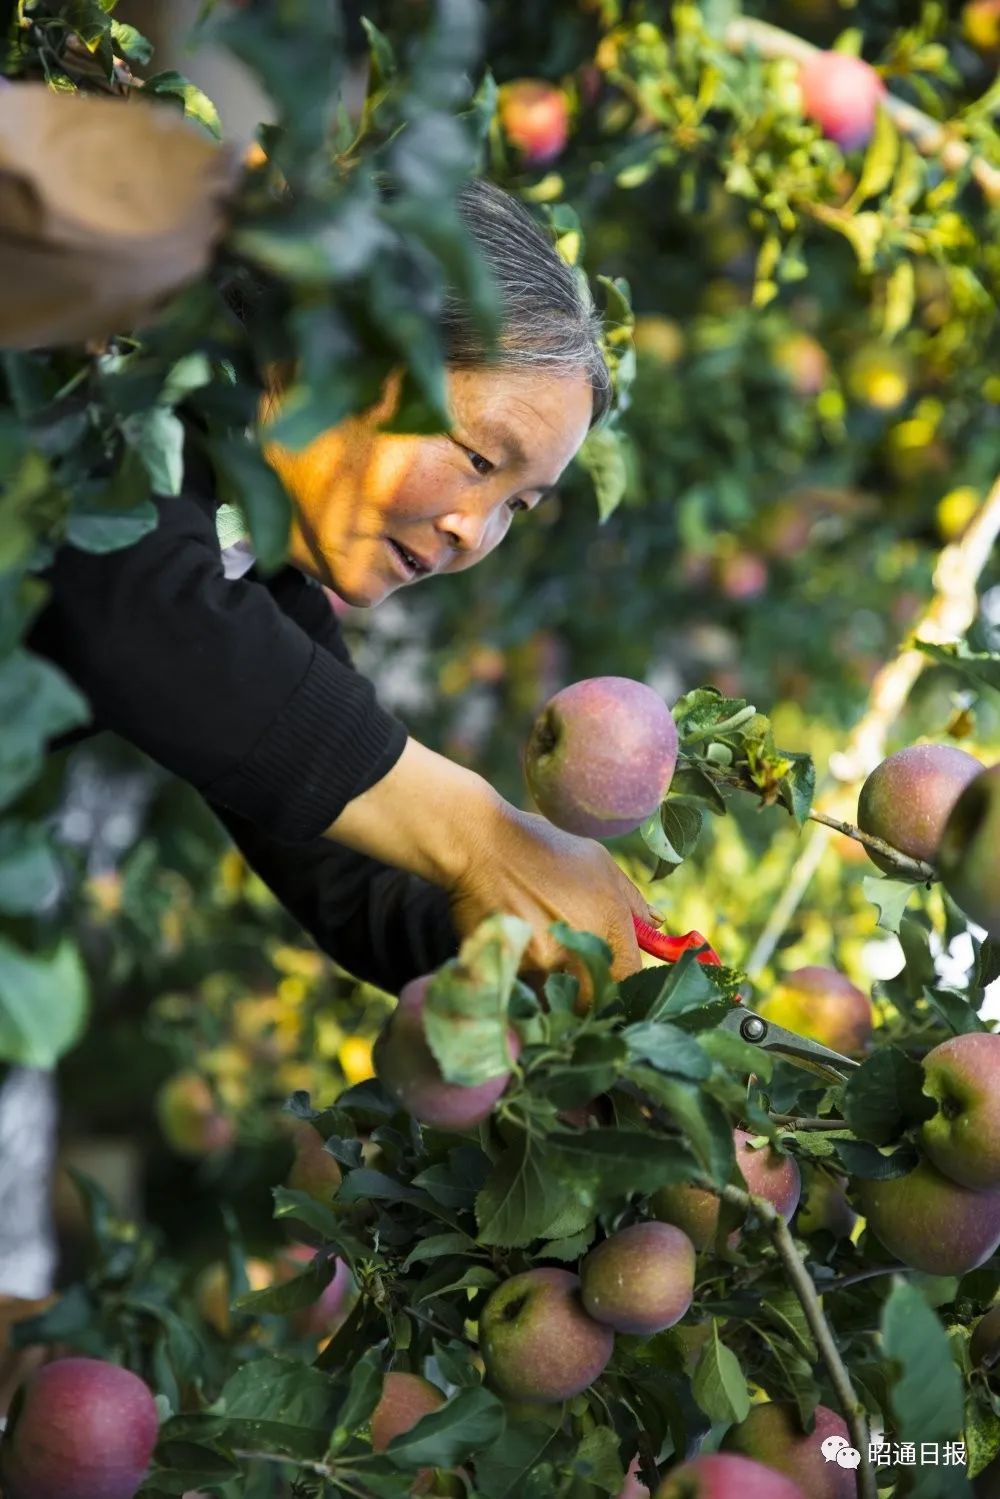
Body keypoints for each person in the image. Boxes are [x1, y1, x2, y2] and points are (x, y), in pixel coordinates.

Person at [27, 178, 654, 1001]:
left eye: (517, 506)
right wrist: (484, 840)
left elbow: (356, 869)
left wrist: (566, 966)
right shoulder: (121, 368)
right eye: (477, 458)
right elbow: (136, 612)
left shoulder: (250, 556)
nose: (476, 530)